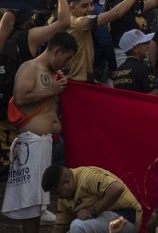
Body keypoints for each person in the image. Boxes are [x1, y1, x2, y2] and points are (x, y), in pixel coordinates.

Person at [2, 27, 76, 232]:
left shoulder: (56, 74)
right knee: (30, 203)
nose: (66, 63)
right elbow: (20, 99)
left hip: (47, 141)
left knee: (39, 201)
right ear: (57, 51)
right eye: (66, 58)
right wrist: (51, 90)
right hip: (31, 142)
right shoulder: (30, 67)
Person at [41, 164, 143, 232]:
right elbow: (60, 227)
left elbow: (117, 188)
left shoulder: (87, 177)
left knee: (78, 227)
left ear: (67, 182)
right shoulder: (64, 197)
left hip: (127, 216)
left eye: (58, 192)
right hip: (107, 220)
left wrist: (93, 211)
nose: (58, 196)